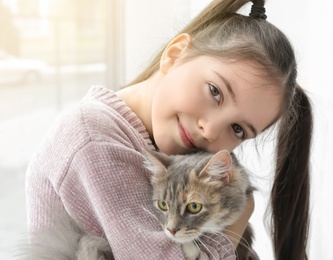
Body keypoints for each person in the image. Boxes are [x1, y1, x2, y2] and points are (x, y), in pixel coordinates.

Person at [25, 0, 312, 259]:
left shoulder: (174, 156)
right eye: (215, 91)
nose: (210, 130)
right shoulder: (92, 137)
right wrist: (239, 219)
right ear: (174, 55)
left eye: (237, 129)